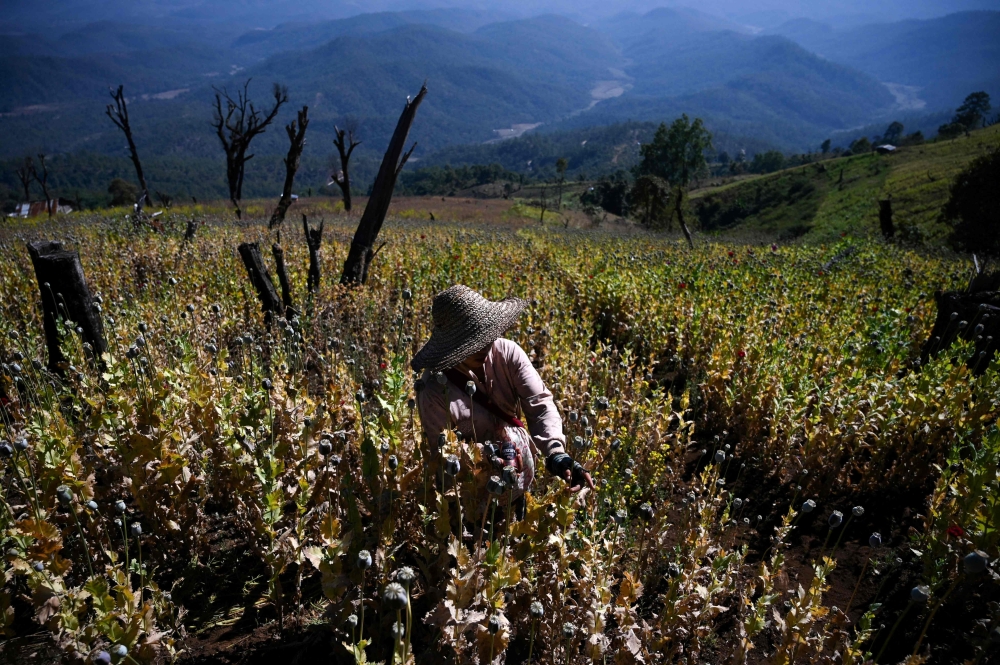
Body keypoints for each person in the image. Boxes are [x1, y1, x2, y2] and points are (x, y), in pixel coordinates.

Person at [412, 284, 593, 495]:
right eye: (471, 342)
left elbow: (540, 405)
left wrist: (556, 454)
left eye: (485, 335)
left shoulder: (508, 354)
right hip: (468, 493)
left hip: (518, 481)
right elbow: (441, 454)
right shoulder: (433, 389)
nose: (483, 346)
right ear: (450, 345)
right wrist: (487, 459)